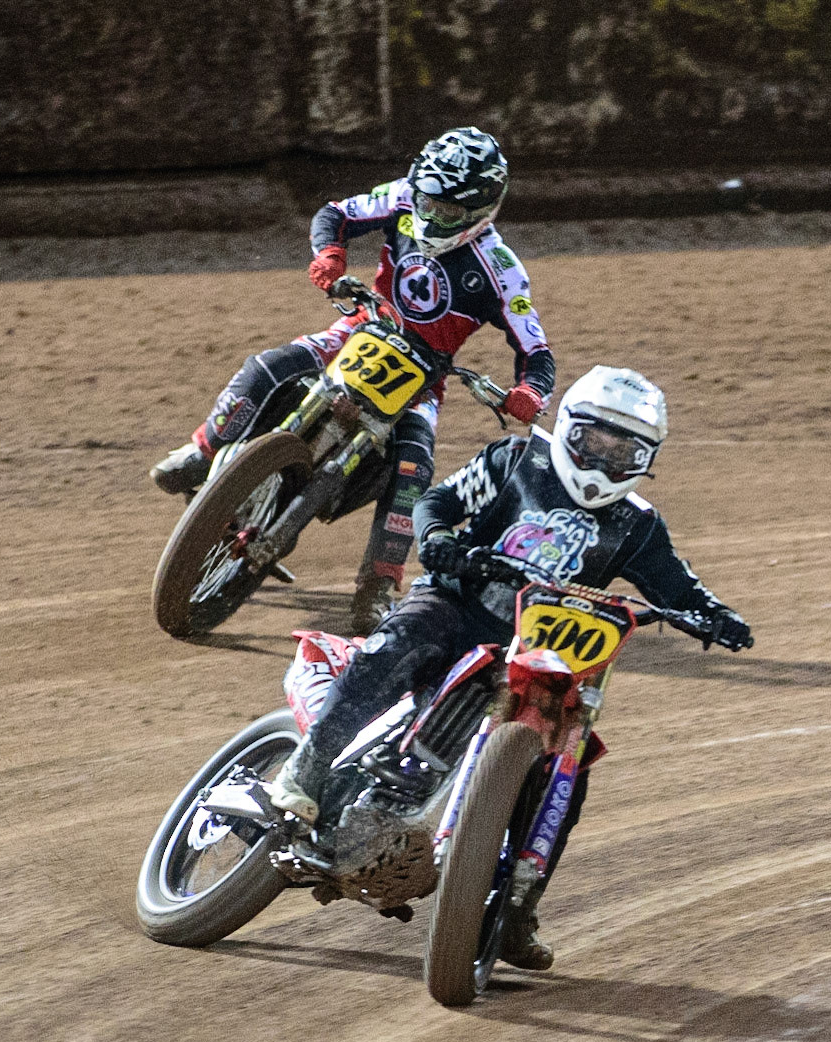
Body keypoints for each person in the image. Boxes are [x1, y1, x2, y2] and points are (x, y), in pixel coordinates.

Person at [268, 365, 754, 970]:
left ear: (646, 458)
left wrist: (714, 616)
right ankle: (305, 775)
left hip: (541, 654)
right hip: (456, 601)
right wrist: (440, 537)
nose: (603, 462)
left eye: (623, 451)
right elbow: (441, 499)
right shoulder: (517, 459)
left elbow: (679, 587)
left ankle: (517, 909)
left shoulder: (639, 526)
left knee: (569, 770)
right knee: (393, 648)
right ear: (568, 428)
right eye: (593, 441)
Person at [149, 127, 557, 634]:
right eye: (427, 202)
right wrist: (330, 256)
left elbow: (536, 351)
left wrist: (528, 394)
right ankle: (203, 451)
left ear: (483, 209)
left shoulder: (502, 271)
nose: (430, 217)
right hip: (361, 326)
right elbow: (335, 213)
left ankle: (379, 584)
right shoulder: (404, 196)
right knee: (267, 367)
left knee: (414, 469)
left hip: (425, 378)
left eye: (447, 212)